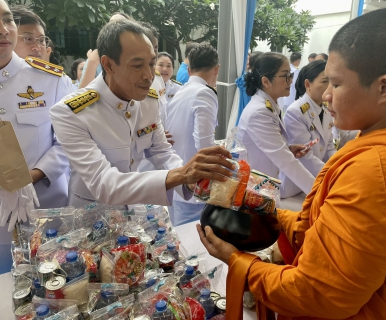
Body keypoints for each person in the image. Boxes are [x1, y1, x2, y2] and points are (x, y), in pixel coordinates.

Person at [198, 8, 386, 320]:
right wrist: (267, 212)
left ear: (383, 88)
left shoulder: (379, 170)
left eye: (336, 83)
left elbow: (321, 293)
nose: (327, 95)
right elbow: (322, 226)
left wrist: (237, 261)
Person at [50, 20, 234, 209]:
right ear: (108, 64)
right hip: (90, 218)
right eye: (137, 66)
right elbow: (103, 183)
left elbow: (162, 152)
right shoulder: (71, 112)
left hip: (136, 216)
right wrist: (181, 174)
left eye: (152, 64)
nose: (149, 75)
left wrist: (191, 179)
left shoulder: (148, 101)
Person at [0, 0, 71, 272]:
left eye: (8, 20)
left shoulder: (49, 80)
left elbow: (68, 143)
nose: (3, 30)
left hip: (48, 212)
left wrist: (30, 177)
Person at [236, 52, 315, 198]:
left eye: (290, 75)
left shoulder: (269, 105)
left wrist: (287, 148)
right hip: (254, 192)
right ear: (266, 81)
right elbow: (285, 161)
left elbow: (269, 148)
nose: (290, 81)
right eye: (285, 76)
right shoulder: (260, 112)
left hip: (264, 188)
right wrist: (318, 191)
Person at [166, 43, 220, 226]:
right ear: (216, 69)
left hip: (177, 179)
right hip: (194, 187)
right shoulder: (204, 93)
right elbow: (205, 146)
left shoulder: (181, 91)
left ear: (188, 70)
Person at [283, 60, 336, 197]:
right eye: (324, 81)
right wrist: (332, 174)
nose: (329, 87)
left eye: (331, 82)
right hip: (298, 183)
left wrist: (338, 166)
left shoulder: (325, 108)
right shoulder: (296, 112)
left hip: (317, 177)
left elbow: (329, 147)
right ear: (308, 84)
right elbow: (304, 156)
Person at [78, 12, 133, 89]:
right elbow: (81, 95)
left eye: (121, 23)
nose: (115, 26)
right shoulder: (95, 58)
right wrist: (92, 63)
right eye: (111, 23)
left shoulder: (137, 57)